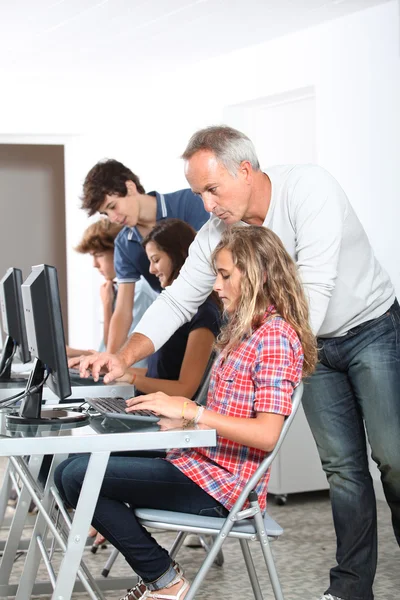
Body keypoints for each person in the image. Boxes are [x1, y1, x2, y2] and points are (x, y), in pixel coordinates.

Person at [77, 125, 400, 600]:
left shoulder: (310, 191)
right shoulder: (218, 231)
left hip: (366, 325)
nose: (207, 205)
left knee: (393, 461)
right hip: (309, 344)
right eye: (197, 193)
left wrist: (261, 359)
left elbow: (313, 296)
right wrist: (121, 355)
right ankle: (351, 590)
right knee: (343, 469)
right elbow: (176, 302)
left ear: (245, 170)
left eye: (212, 189)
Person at [56, 225, 317, 600]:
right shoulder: (246, 331)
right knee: (72, 466)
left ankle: (164, 581)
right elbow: (230, 412)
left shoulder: (274, 336)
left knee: (79, 476)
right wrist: (179, 419)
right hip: (201, 461)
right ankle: (161, 576)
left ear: (256, 276)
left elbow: (266, 434)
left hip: (223, 487)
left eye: (225, 275)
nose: (216, 285)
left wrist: (191, 412)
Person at [80, 159, 209, 354]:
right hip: (176, 327)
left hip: (212, 317)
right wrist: (111, 358)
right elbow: (123, 311)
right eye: (106, 213)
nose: (113, 218)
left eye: (113, 206)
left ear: (130, 187)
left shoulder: (190, 202)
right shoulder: (124, 245)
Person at [117, 218, 221, 398]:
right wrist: (116, 369)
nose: (150, 270)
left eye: (155, 260)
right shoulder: (169, 313)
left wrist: (131, 377)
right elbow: (156, 376)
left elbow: (185, 389)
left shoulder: (204, 313)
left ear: (178, 254)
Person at [66, 218, 156, 368]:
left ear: (118, 252)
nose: (95, 264)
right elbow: (110, 350)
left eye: (99, 255)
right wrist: (72, 352)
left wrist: (107, 305)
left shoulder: (139, 291)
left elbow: (120, 355)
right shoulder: (117, 290)